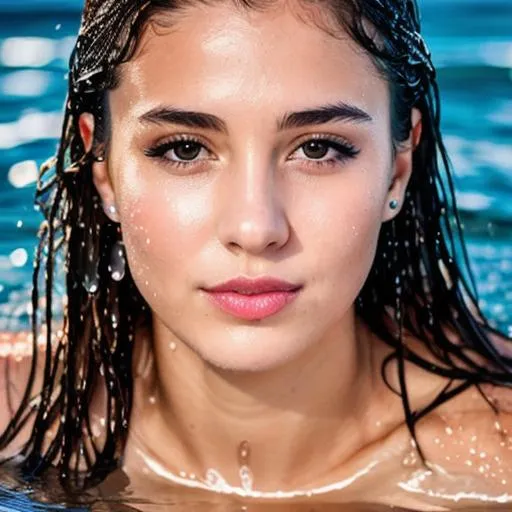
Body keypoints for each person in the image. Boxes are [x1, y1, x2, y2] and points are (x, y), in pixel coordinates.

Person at [0, 0, 511, 510]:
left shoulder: (494, 461)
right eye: (184, 149)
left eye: (317, 149)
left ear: (398, 169)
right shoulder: (13, 417)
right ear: (105, 169)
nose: (255, 228)